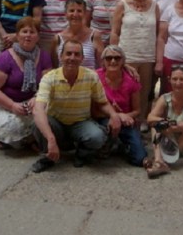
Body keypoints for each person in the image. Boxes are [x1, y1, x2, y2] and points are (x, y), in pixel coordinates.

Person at [30, 39, 121, 173]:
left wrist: (114, 115)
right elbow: (38, 109)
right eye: (68, 53)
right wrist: (51, 139)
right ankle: (48, 157)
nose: (72, 58)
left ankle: (82, 153)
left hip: (81, 122)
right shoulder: (49, 78)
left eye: (77, 54)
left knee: (97, 137)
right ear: (61, 56)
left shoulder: (91, 76)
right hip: (57, 123)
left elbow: (102, 102)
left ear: (82, 58)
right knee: (37, 123)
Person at [0, 17, 53, 149]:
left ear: (38, 36)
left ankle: (19, 138)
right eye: (24, 31)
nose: (28, 35)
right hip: (1, 105)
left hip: (30, 104)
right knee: (14, 126)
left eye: (32, 32)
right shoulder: (5, 57)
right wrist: (12, 105)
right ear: (17, 35)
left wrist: (37, 97)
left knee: (51, 116)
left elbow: (48, 85)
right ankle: (1, 133)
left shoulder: (44, 57)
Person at [111, 0, 160, 126]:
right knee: (127, 90)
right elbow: (115, 32)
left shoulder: (154, 6)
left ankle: (141, 122)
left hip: (148, 56)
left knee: (145, 91)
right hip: (127, 56)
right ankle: (126, 121)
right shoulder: (122, 5)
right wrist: (114, 55)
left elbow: (158, 33)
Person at [145, 65, 183, 178]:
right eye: (175, 79)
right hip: (172, 137)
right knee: (156, 125)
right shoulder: (164, 98)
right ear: (169, 80)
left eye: (182, 79)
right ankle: (158, 159)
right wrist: (171, 122)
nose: (178, 83)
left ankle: (165, 159)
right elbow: (150, 118)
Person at [94, 46, 147, 166]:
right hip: (102, 119)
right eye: (109, 58)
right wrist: (117, 116)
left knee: (140, 158)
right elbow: (93, 111)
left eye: (117, 58)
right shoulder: (95, 77)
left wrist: (123, 116)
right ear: (103, 61)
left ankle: (120, 144)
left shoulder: (131, 79)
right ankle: (110, 142)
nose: (113, 61)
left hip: (126, 121)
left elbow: (137, 110)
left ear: (123, 61)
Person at [52, 0, 103, 69]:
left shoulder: (95, 36)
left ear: (84, 13)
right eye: (71, 10)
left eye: (79, 11)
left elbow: (101, 66)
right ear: (65, 13)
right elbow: (55, 68)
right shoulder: (57, 39)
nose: (75, 14)